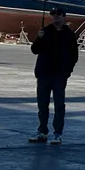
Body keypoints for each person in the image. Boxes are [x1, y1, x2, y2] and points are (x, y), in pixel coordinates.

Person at [28, 8, 79, 145]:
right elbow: (34, 50)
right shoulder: (45, 31)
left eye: (58, 15)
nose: (55, 17)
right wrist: (38, 38)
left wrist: (67, 71)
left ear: (64, 17)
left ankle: (57, 134)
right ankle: (42, 132)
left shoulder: (69, 34)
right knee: (42, 105)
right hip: (44, 73)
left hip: (59, 75)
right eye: (53, 15)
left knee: (59, 105)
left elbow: (74, 55)